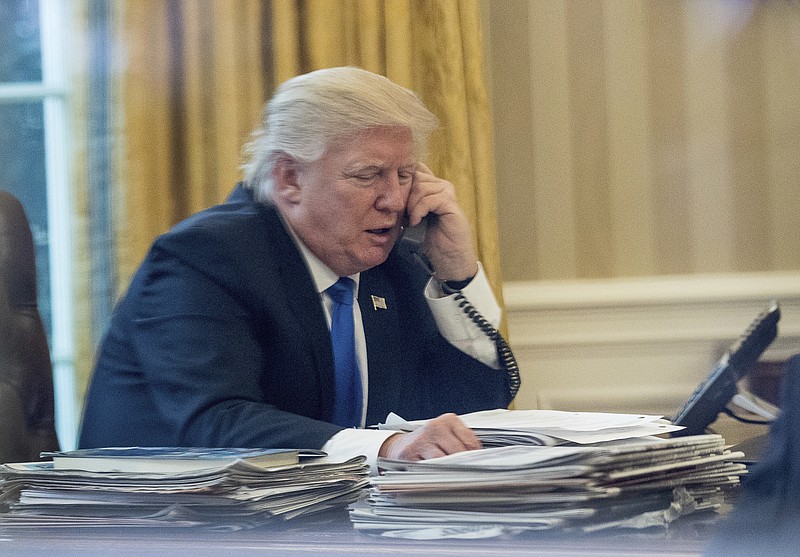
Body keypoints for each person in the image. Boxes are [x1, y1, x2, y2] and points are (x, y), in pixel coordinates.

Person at [79, 67, 516, 470]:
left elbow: (474, 407)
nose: (394, 200)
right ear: (289, 178)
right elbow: (217, 422)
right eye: (368, 175)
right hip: (161, 527)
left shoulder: (393, 265)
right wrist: (383, 448)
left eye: (404, 175)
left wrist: (456, 274)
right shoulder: (205, 258)